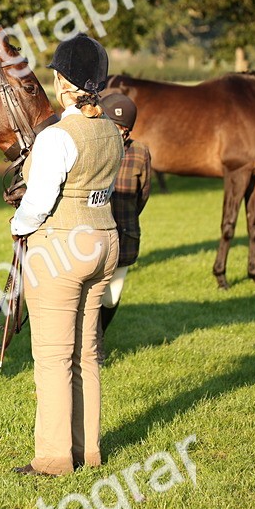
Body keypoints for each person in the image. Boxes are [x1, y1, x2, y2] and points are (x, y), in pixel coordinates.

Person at [9, 34, 123, 478]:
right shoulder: (112, 129)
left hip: (61, 246)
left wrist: (18, 226)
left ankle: (54, 458)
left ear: (62, 82)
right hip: (104, 239)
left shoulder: (57, 137)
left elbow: (38, 201)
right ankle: (87, 448)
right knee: (87, 353)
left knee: (54, 357)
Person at [95, 93, 151, 365]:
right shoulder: (92, 147)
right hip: (92, 234)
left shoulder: (140, 152)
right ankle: (92, 345)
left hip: (125, 233)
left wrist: (126, 219)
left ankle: (99, 334)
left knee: (111, 297)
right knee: (90, 292)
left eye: (118, 126)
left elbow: (143, 194)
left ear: (126, 129)